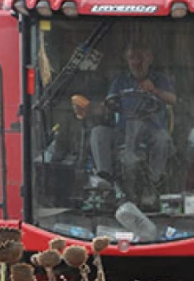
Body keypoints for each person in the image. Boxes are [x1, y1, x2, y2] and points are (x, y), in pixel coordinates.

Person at [74, 42, 177, 203]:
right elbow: (108, 106)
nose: (136, 62)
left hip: (151, 131)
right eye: (132, 58)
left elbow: (173, 100)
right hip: (123, 132)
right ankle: (105, 180)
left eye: (140, 57)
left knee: (163, 138)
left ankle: (152, 183)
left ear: (150, 59)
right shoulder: (120, 81)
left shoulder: (159, 78)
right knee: (98, 132)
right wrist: (87, 109)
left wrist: (154, 91)